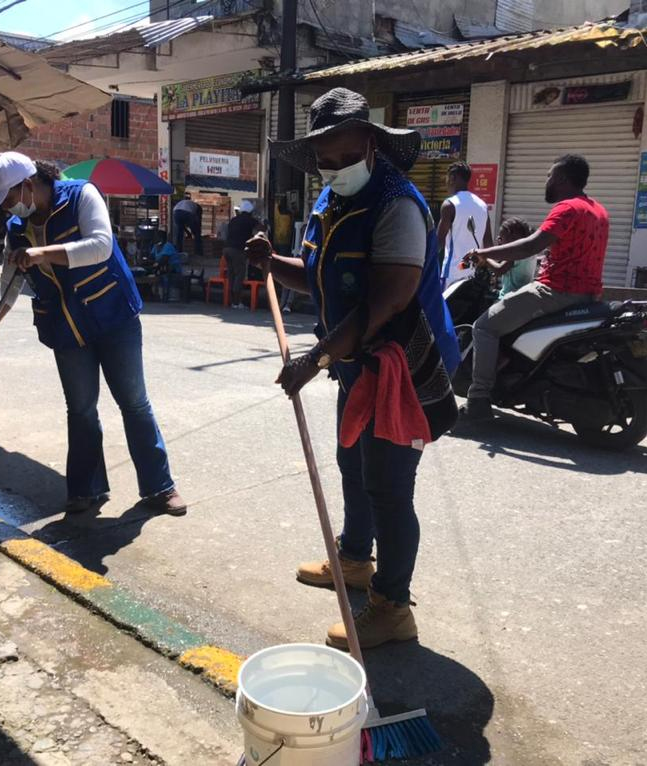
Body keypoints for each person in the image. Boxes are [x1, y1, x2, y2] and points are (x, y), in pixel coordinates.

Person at [248, 88, 458, 650]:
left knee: (389, 486)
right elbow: (320, 278)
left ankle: (392, 606)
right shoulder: (330, 203)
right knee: (352, 463)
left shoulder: (398, 207)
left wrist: (315, 359)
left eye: (345, 156)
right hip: (354, 362)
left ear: (370, 143)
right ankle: (356, 559)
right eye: (325, 160)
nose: (335, 168)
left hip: (401, 368)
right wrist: (273, 264)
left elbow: (383, 303)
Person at [0, 152, 186, 516]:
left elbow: (100, 246)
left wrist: (41, 253)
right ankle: (86, 490)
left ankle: (159, 487)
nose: (8, 209)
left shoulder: (81, 196)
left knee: (134, 403)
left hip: (114, 316)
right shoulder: (16, 230)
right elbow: (8, 279)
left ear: (27, 184)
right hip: (64, 326)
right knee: (81, 409)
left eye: (9, 199)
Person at [461, 154, 609, 422]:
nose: (547, 181)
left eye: (549, 176)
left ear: (562, 179)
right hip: (587, 295)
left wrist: (484, 252)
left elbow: (531, 245)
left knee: (484, 326)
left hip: (555, 292)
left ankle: (478, 399)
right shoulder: (599, 211)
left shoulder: (567, 209)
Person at [438, 161, 492, 290]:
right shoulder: (483, 206)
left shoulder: (450, 204)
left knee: (446, 310)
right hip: (472, 275)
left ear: (452, 178)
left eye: (447, 178)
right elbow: (489, 245)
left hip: (451, 275)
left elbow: (438, 243)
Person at [481, 217, 537, 298]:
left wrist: (483, 257)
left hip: (511, 298)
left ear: (512, 238)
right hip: (522, 296)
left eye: (501, 237)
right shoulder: (528, 250)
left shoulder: (516, 252)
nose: (498, 239)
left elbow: (499, 270)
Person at [224, 200, 261, 309]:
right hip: (238, 250)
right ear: (250, 212)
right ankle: (236, 302)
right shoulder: (249, 220)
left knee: (231, 275)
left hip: (227, 249)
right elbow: (262, 228)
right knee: (239, 276)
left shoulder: (233, 220)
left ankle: (231, 301)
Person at [150, 230, 181, 302]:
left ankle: (164, 296)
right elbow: (150, 258)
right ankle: (152, 294)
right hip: (161, 267)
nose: (154, 239)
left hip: (172, 269)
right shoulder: (155, 246)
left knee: (163, 275)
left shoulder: (168, 246)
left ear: (161, 238)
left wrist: (153, 264)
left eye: (156, 237)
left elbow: (163, 260)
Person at [172, 192, 203, 257]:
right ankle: (198, 252)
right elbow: (197, 221)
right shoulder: (198, 208)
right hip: (187, 213)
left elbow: (183, 226)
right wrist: (195, 231)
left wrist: (188, 232)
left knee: (179, 233)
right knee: (197, 234)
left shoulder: (187, 203)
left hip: (176, 213)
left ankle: (179, 251)